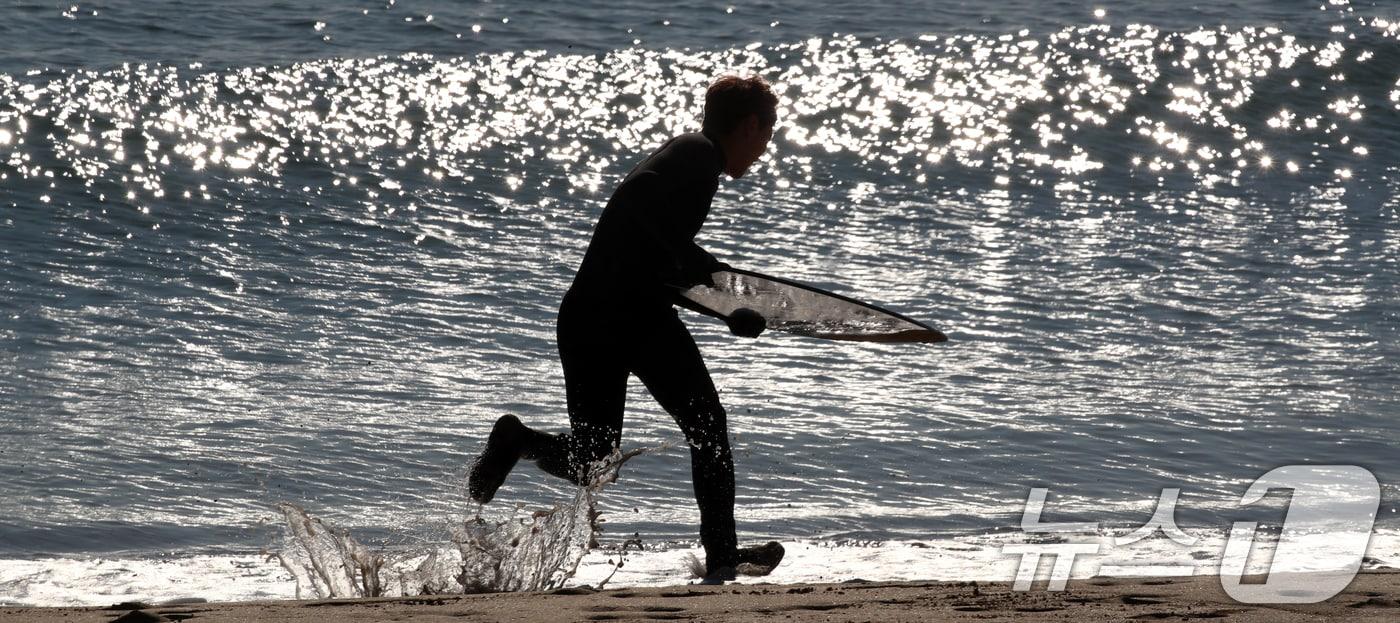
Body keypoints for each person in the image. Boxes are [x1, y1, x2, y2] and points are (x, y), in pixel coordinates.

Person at [468, 75, 783, 584]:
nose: (766, 146)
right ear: (749, 125)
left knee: (593, 459)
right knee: (707, 426)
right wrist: (723, 301)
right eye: (768, 132)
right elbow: (650, 224)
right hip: (633, 316)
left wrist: (722, 299)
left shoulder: (687, 155)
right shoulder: (698, 157)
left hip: (588, 314)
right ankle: (722, 556)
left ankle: (517, 440)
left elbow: (656, 247)